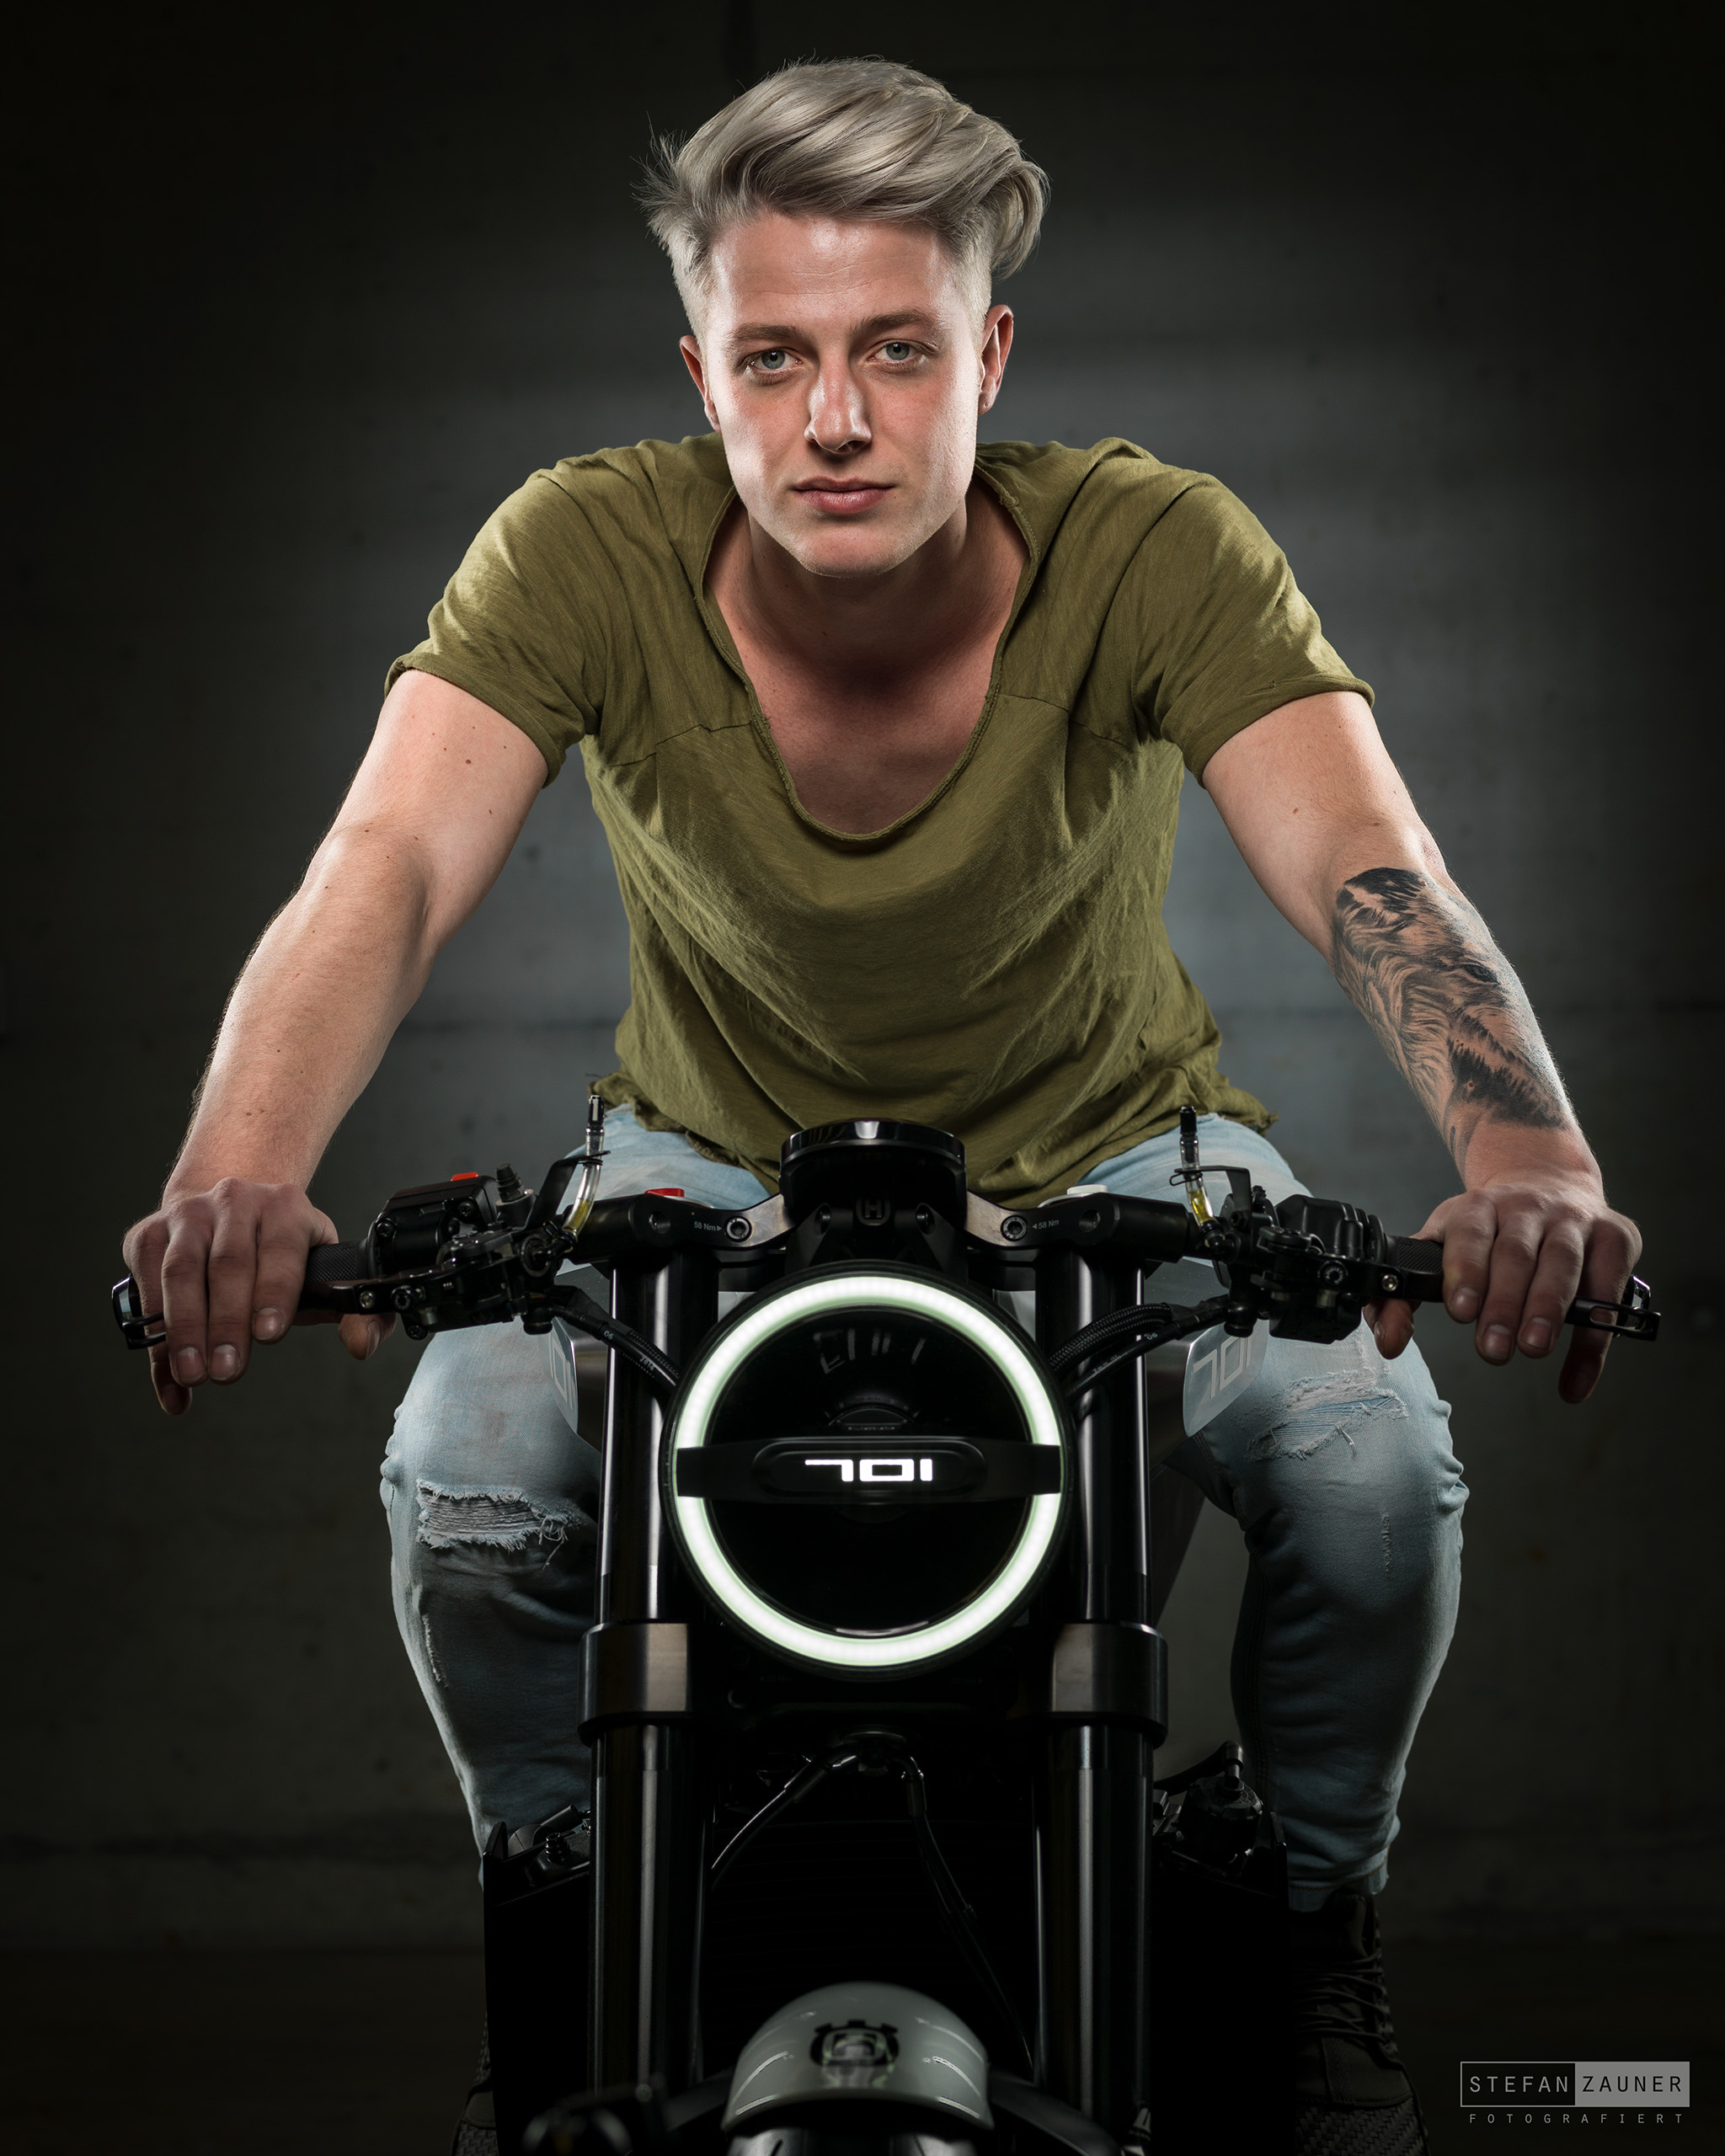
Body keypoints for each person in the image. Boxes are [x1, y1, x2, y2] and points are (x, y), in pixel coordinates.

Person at [121, 58, 1640, 2156]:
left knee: (1373, 1466)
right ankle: (562, 1935)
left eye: (895, 351)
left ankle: (1308, 1925)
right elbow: (378, 865)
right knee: (461, 1478)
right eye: (775, 356)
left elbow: (1369, 868)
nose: (834, 416)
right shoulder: (582, 545)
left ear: (986, 356)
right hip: (701, 1169)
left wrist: (1526, 1152)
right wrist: (235, 1171)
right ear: (704, 375)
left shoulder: (1152, 543)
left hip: (1115, 1154)